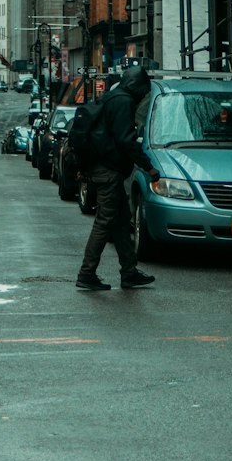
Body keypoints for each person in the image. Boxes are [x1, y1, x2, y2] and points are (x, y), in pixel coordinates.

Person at [76, 64, 161, 292]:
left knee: (122, 222)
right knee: (104, 222)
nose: (145, 94)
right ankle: (87, 273)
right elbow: (126, 140)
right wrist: (149, 167)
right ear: (137, 86)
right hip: (109, 172)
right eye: (144, 89)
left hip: (104, 169)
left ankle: (129, 272)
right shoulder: (123, 102)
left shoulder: (112, 97)